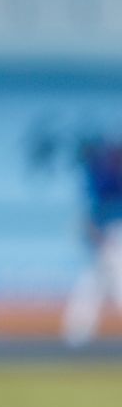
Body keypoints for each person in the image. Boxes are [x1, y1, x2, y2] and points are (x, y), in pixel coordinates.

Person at [63, 137, 122, 346]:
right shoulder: (102, 178)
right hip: (107, 236)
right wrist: (95, 235)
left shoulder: (110, 178)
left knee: (106, 285)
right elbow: (92, 216)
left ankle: (77, 337)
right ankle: (77, 337)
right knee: (91, 286)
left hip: (114, 236)